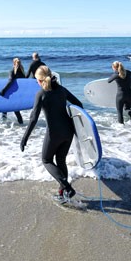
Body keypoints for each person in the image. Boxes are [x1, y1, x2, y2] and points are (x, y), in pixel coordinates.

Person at [20, 65, 84, 201]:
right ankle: (63, 194)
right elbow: (79, 104)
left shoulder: (41, 94)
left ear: (40, 80)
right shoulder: (61, 90)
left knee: (46, 160)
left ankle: (67, 187)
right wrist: (80, 127)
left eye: (36, 79)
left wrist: (24, 138)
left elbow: (33, 119)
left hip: (54, 133)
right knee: (61, 160)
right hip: (68, 131)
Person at [0, 57, 25, 124]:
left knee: (4, 109)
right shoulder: (22, 72)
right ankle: (21, 124)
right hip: (18, 93)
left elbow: (10, 81)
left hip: (11, 93)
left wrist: (3, 90)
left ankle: (3, 124)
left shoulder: (12, 71)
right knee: (16, 110)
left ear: (13, 63)